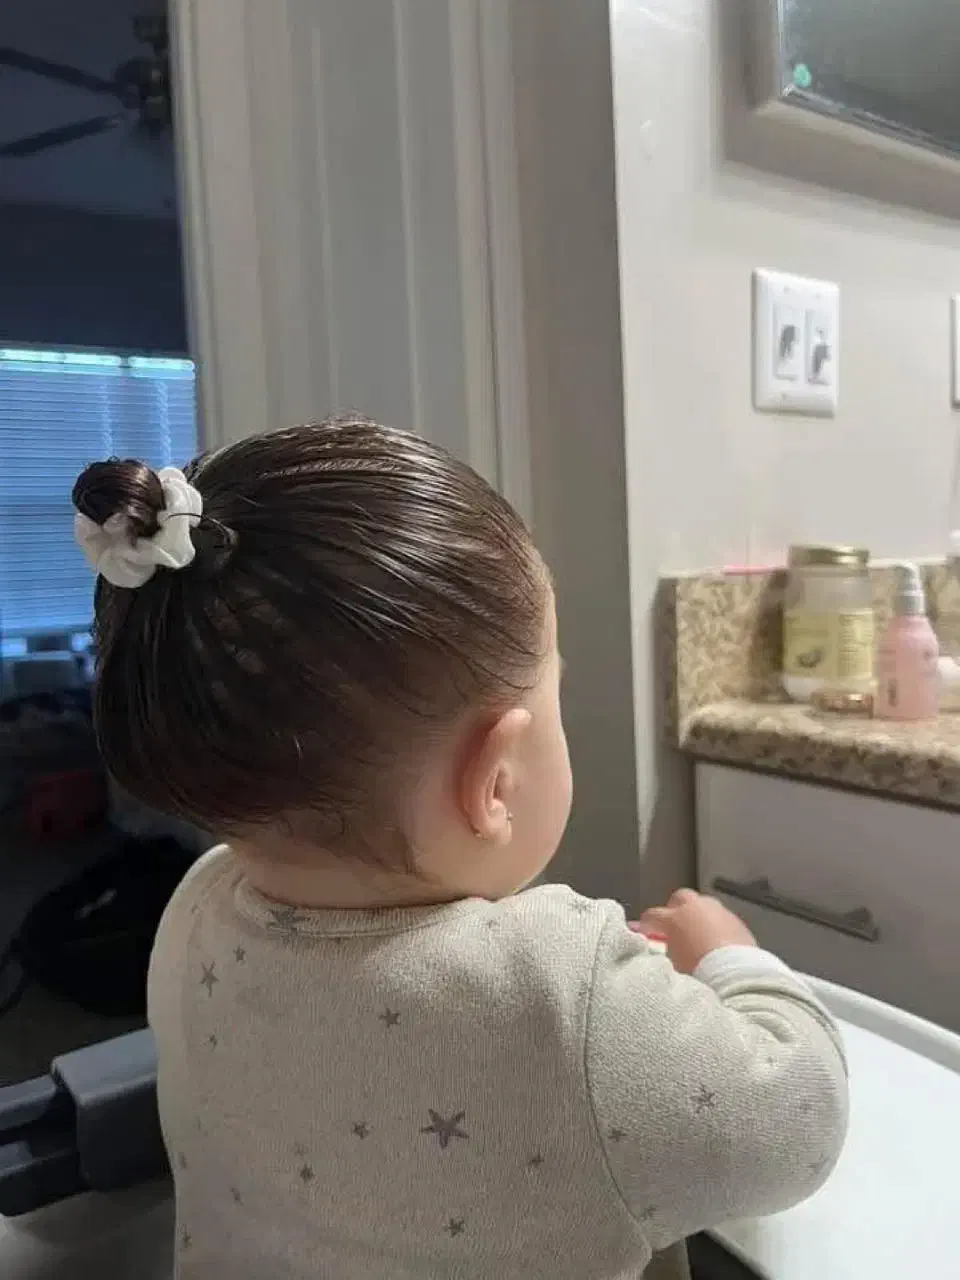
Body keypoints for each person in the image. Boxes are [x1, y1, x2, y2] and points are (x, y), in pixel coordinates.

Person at [72, 416, 848, 1280]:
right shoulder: (568, 994)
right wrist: (737, 965)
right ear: (495, 780)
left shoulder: (196, 907)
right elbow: (797, 1123)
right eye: (555, 691)